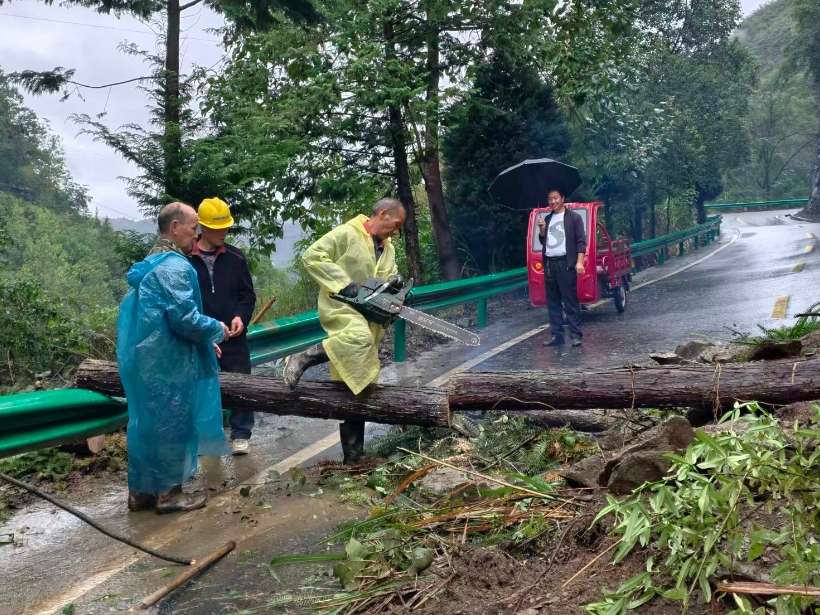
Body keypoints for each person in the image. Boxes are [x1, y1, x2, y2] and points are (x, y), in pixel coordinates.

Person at [117, 202, 230, 514]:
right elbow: (185, 320)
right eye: (194, 227)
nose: (197, 234)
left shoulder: (148, 264)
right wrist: (216, 329)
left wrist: (203, 342)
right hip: (170, 362)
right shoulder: (175, 267)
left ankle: (141, 493)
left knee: (144, 425)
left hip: (143, 360)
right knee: (173, 425)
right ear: (176, 227)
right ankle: (169, 495)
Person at [283, 198, 406, 464]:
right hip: (342, 307)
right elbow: (313, 256)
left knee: (358, 384)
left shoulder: (388, 248)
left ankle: (353, 458)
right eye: (395, 224)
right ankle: (303, 357)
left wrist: (394, 282)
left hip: (369, 317)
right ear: (382, 213)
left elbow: (386, 275)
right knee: (358, 338)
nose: (396, 231)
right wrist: (342, 283)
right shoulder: (347, 233)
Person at [189, 197, 257, 456]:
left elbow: (247, 295)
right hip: (202, 337)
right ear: (203, 227)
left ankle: (241, 434)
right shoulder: (186, 260)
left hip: (233, 336)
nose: (223, 233)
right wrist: (201, 331)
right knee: (202, 387)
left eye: (226, 228)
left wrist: (240, 316)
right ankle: (206, 438)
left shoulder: (235, 258)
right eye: (218, 228)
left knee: (241, 384)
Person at [537, 189, 587, 347]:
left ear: (562, 198)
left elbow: (581, 242)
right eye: (550, 199)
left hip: (566, 263)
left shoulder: (574, 218)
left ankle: (576, 335)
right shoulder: (547, 218)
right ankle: (557, 336)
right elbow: (543, 241)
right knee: (553, 302)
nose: (552, 201)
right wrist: (542, 229)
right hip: (550, 264)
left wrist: (579, 262)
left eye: (555, 198)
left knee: (570, 301)